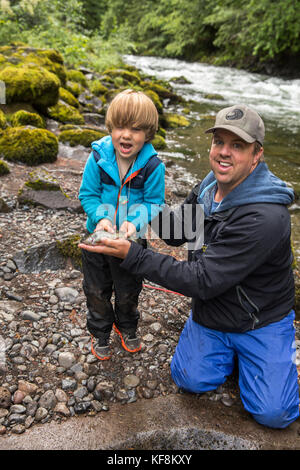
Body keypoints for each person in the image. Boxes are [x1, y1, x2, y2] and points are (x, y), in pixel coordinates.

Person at [79, 103, 299, 429]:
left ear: (257, 155)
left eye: (237, 146)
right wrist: (139, 211)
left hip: (259, 320)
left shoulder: (264, 217)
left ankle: (263, 357)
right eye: (219, 142)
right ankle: (242, 361)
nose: (224, 153)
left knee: (274, 415)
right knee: (189, 380)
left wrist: (131, 254)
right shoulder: (211, 186)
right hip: (213, 312)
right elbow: (180, 232)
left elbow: (201, 280)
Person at [79, 89, 165, 361]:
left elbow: (154, 203)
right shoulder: (97, 157)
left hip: (130, 243)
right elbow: (87, 195)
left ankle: (126, 326)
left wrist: (133, 223)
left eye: (135, 129)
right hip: (97, 238)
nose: (126, 135)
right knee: (95, 289)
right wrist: (99, 218)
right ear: (110, 128)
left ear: (148, 133)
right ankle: (100, 331)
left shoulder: (152, 166)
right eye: (120, 127)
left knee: (129, 290)